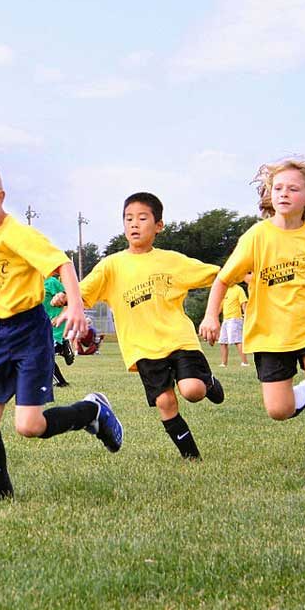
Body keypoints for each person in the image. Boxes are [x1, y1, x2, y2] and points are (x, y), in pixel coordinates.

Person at [0, 157, 123, 503]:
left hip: (28, 334)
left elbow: (62, 264)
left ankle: (92, 411)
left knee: (29, 426)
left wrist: (75, 306)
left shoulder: (17, 234)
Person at [200, 156, 305, 478]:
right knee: (278, 410)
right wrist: (210, 317)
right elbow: (223, 279)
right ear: (270, 194)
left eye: (293, 189)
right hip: (270, 332)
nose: (284, 193)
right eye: (278, 188)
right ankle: (303, 393)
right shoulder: (256, 237)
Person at [60, 192, 224, 461]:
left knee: (192, 390)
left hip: (179, 339)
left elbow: (218, 275)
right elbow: (83, 292)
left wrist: (245, 274)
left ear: (158, 225)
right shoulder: (111, 266)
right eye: (128, 218)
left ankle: (209, 382)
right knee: (165, 402)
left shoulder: (172, 260)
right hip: (142, 347)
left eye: (142, 218)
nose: (134, 224)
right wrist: (66, 296)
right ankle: (191, 457)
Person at [44, 270, 74, 387]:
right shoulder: (33, 285)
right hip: (44, 325)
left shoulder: (51, 282)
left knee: (45, 353)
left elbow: (69, 299)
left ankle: (61, 382)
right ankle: (62, 348)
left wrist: (60, 316)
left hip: (56, 323)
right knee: (45, 354)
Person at [218, 275, 251, 367]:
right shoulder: (225, 290)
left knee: (237, 340)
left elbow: (243, 304)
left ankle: (245, 362)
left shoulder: (239, 289)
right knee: (222, 341)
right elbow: (220, 306)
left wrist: (246, 317)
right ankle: (224, 363)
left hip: (235, 319)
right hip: (225, 319)